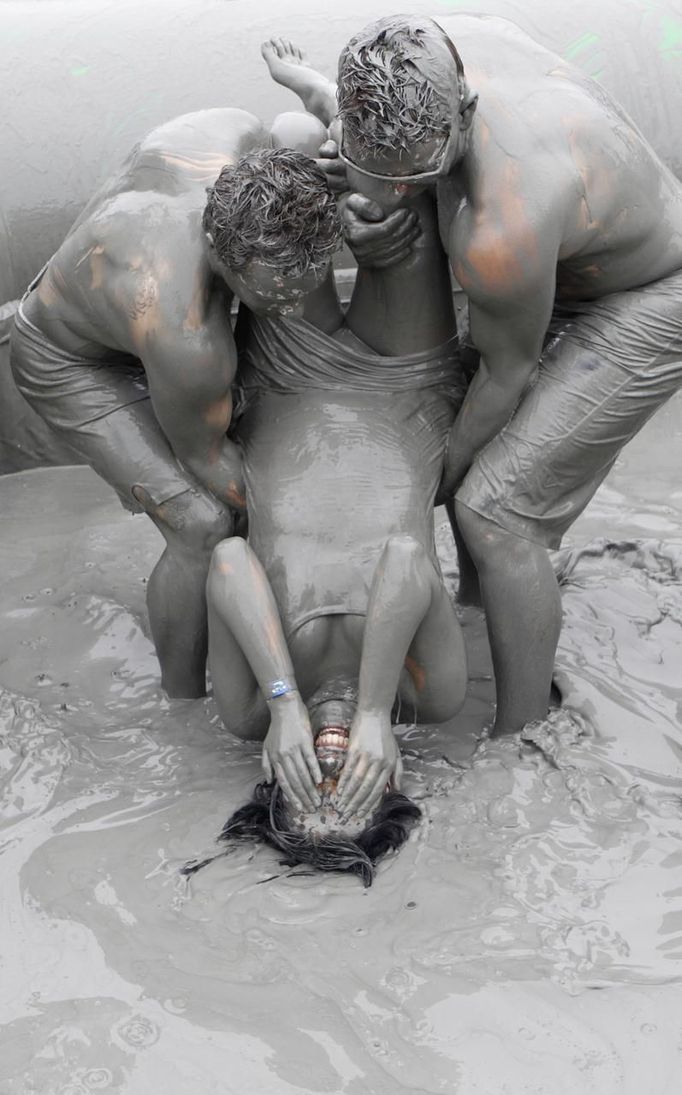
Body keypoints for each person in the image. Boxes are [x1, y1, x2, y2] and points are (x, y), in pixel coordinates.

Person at [332, 13, 682, 738]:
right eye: (386, 180)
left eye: (415, 182)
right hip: (571, 244)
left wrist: (438, 480)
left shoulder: (502, 225)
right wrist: (363, 208)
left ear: (464, 114)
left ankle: (522, 735)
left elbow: (504, 377)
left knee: (496, 506)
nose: (397, 198)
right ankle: (480, 600)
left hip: (652, 292)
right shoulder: (430, 47)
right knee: (457, 433)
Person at [10, 105, 341, 699]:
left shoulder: (231, 131)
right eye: (276, 294)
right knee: (201, 521)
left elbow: (300, 132)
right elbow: (208, 459)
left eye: (306, 280)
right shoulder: (185, 333)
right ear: (221, 248)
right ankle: (182, 697)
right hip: (68, 360)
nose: (294, 304)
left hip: (114, 280)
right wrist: (328, 521)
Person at [204, 185, 468, 857]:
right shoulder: (429, 696)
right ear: (391, 778)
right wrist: (376, 708)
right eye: (347, 795)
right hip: (406, 388)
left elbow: (228, 563)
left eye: (307, 798)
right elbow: (407, 558)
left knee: (291, 175)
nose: (328, 773)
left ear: (270, 785)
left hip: (283, 387)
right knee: (393, 203)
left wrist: (285, 701)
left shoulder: (248, 710)